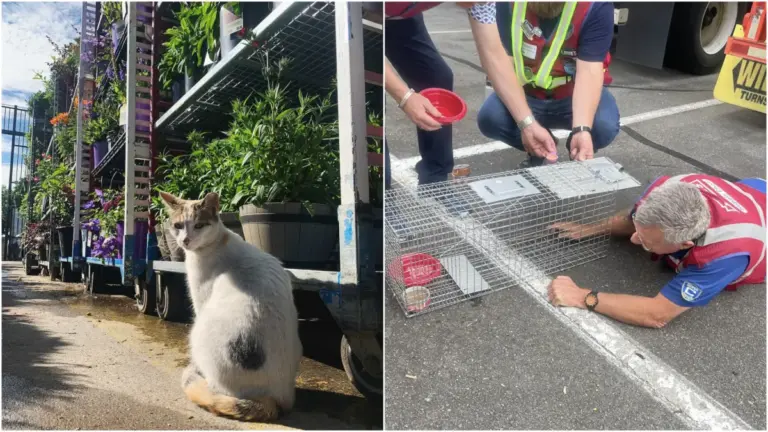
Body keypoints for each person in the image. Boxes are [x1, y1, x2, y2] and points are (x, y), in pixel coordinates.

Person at [547, 174, 766, 328]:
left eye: (645, 242)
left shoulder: (725, 256)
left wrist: (582, 297)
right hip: (751, 191)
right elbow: (632, 219)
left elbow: (657, 314)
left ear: (685, 244)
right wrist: (592, 229)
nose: (633, 239)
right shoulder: (671, 187)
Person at [384, 2, 538, 186]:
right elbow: (354, 36)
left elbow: (494, 55)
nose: (476, 4)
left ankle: (435, 181)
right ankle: (379, 193)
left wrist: (527, 123)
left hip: (401, 16)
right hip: (360, 15)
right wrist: (405, 97)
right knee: (368, 95)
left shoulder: (481, 3)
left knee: (437, 77)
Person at [476, 2, 620, 167]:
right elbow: (501, 64)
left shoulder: (596, 6)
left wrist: (582, 129)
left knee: (604, 126)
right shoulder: (506, 4)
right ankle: (540, 148)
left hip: (571, 96)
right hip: (527, 94)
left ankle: (576, 145)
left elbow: (588, 71)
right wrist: (527, 124)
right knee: (490, 118)